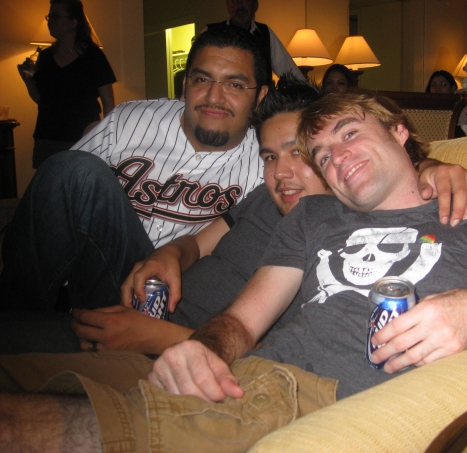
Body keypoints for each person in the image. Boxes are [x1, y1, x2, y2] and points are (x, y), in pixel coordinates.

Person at [3, 89, 467, 452]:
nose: (336, 158)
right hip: (242, 376)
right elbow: (242, 321)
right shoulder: (313, 216)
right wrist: (203, 349)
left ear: (401, 132)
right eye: (322, 154)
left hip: (306, 401)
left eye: (350, 134)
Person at [68, 81, 467, 355]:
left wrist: (431, 167)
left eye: (297, 153)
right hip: (135, 322)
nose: (280, 173)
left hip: (172, 353)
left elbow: (285, 357)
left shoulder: (339, 236)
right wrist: (169, 256)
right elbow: (196, 243)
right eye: (269, 157)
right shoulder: (264, 199)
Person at [0, 26, 270, 352]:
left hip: (164, 300)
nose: (214, 97)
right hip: (91, 273)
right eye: (202, 79)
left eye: (235, 84)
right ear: (185, 85)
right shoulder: (129, 121)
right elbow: (60, 194)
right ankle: (16, 322)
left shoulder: (266, 164)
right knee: (74, 170)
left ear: (260, 96)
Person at [17, 0, 116, 169]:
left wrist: (105, 137)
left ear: (73, 23)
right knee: (49, 183)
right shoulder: (46, 57)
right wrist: (27, 80)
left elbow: (108, 101)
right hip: (47, 137)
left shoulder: (92, 56)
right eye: (49, 16)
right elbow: (43, 100)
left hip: (83, 137)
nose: (50, 21)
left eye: (56, 16)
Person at [203, 0, 305, 83]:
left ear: (255, 5)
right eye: (234, 1)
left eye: (246, 1)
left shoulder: (265, 33)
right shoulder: (210, 32)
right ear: (228, 6)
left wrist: (308, 93)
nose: (240, 6)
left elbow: (289, 71)